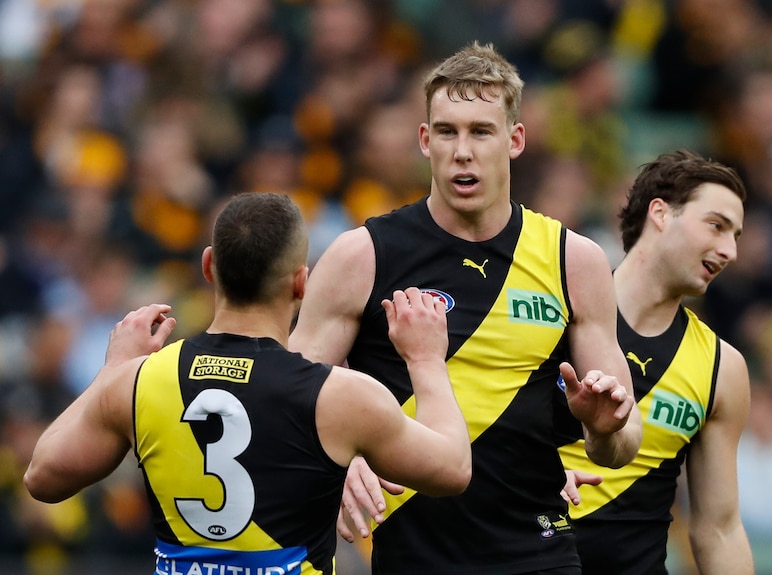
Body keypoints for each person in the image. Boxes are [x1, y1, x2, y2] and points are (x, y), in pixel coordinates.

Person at [288, 42, 641, 574]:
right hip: (409, 555)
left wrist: (603, 428)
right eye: (447, 132)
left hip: (538, 554)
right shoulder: (362, 256)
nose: (463, 150)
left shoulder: (574, 261)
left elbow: (621, 446)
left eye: (481, 131)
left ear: (514, 139)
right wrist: (340, 463)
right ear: (425, 141)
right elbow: (288, 410)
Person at [23, 191, 472, 575]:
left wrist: (112, 369)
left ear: (208, 267)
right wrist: (426, 359)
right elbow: (452, 469)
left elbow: (42, 477)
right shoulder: (339, 396)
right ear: (301, 283)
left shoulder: (138, 381)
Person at [557, 150, 755, 574]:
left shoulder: (723, 368)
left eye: (736, 235)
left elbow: (718, 529)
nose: (730, 251)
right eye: (717, 226)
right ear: (661, 213)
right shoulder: (556, 312)